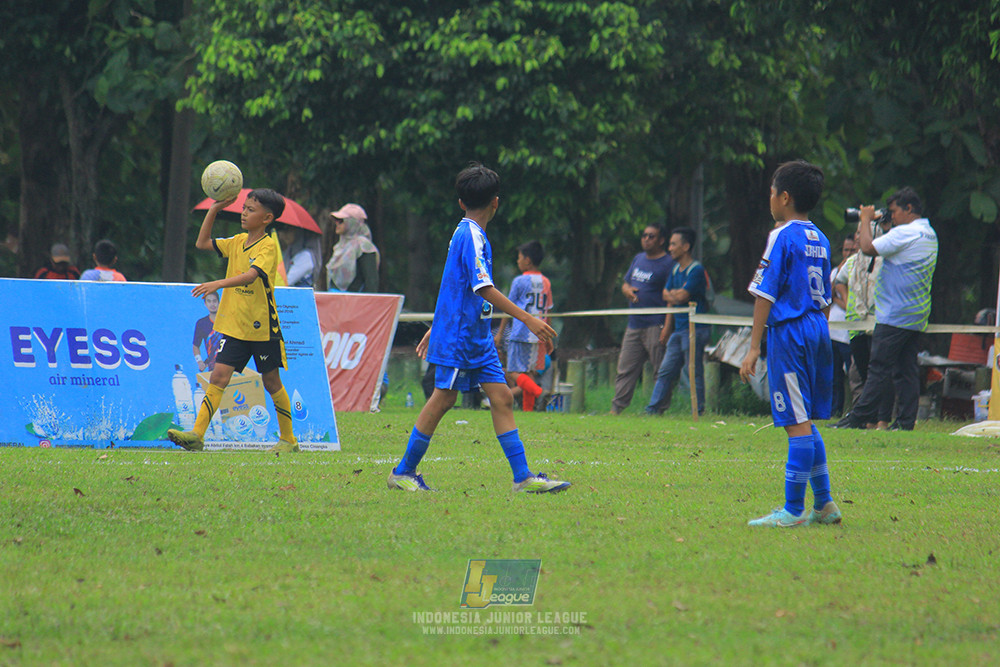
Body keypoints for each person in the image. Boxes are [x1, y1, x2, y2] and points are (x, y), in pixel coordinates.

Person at [387, 162, 570, 494]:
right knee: (443, 399)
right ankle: (403, 471)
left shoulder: (471, 234)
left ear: (460, 201)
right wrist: (527, 317)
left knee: (502, 398)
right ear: (496, 202)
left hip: (476, 335)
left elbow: (451, 286)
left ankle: (523, 478)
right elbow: (482, 288)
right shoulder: (470, 234)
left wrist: (438, 325)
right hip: (461, 336)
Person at [740, 159, 841, 528]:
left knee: (794, 423)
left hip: (791, 331)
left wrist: (754, 347)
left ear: (783, 197)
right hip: (817, 326)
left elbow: (765, 294)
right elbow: (826, 297)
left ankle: (793, 510)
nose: (769, 197)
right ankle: (825, 503)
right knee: (806, 419)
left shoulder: (781, 235)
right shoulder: (821, 237)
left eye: (771, 191)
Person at [167, 189, 298, 453]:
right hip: (234, 327)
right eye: (244, 207)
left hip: (262, 328)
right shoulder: (238, 241)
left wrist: (218, 283)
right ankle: (197, 435)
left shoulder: (268, 246)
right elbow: (202, 243)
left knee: (271, 382)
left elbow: (251, 276)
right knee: (218, 377)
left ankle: (288, 440)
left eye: (251, 209)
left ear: (267, 218)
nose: (244, 212)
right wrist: (214, 209)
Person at [835, 187, 938, 431]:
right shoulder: (928, 232)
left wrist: (865, 219)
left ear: (908, 209)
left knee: (878, 368)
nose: (891, 217)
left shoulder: (906, 232)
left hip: (894, 314)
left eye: (893, 212)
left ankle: (859, 417)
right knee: (906, 370)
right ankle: (904, 421)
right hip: (915, 312)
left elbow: (868, 248)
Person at [645, 227, 711, 415]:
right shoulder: (675, 270)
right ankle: (653, 409)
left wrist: (675, 295)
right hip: (679, 329)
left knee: (693, 370)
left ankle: (698, 410)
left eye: (674, 244)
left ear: (686, 246)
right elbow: (667, 295)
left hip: (695, 329)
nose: (670, 248)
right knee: (666, 370)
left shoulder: (696, 270)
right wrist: (675, 296)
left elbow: (682, 296)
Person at [610, 224, 674, 414]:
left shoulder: (668, 263)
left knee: (659, 371)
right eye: (644, 235)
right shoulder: (638, 259)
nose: (646, 239)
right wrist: (627, 291)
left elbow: (669, 296)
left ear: (661, 240)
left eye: (651, 236)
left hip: (656, 324)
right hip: (634, 324)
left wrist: (667, 327)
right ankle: (616, 409)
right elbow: (625, 284)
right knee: (625, 369)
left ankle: (658, 409)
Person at [834, 228, 887, 424]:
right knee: (864, 373)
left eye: (861, 232)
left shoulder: (884, 261)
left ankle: (882, 418)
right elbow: (838, 281)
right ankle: (868, 418)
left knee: (879, 374)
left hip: (878, 324)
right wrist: (848, 300)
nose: (857, 236)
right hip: (855, 325)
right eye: (856, 232)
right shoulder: (852, 262)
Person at [494, 240, 553, 411]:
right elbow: (548, 311)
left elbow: (508, 307)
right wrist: (548, 337)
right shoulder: (546, 282)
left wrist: (500, 333)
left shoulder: (519, 281)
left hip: (520, 333)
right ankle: (528, 411)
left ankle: (538, 391)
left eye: (519, 258)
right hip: (539, 334)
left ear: (527, 260)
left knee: (513, 371)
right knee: (529, 374)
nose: (517, 261)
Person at [828, 235, 857, 416]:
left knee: (855, 376)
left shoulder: (860, 272)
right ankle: (834, 411)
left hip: (850, 333)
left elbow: (850, 304)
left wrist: (838, 301)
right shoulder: (835, 272)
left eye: (852, 250)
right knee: (834, 377)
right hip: (833, 333)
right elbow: (827, 294)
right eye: (845, 250)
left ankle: (856, 410)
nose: (848, 253)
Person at [326, 203, 380, 292]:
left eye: (341, 220)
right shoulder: (339, 246)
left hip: (355, 301)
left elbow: (371, 281)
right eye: (336, 220)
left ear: (352, 222)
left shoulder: (363, 245)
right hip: (336, 299)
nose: (337, 224)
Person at [191, 290, 223, 372]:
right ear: (205, 304)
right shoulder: (201, 323)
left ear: (219, 302)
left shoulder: (228, 321)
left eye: (214, 301)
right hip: (213, 368)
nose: (212, 304)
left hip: (229, 365)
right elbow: (195, 346)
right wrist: (200, 361)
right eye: (209, 301)